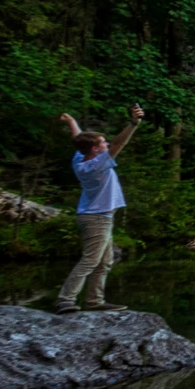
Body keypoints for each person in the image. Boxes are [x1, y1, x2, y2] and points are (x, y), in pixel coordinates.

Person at [52, 105, 144, 314]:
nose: (107, 143)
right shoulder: (97, 165)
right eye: (103, 142)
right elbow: (120, 142)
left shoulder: (80, 159)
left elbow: (79, 139)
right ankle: (65, 300)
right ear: (95, 149)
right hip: (97, 218)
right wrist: (133, 124)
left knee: (105, 261)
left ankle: (94, 300)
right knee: (90, 260)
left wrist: (71, 121)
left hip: (97, 216)